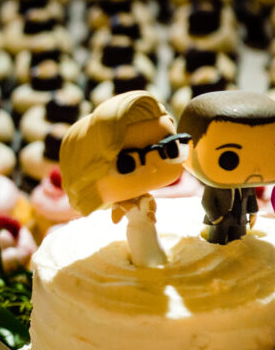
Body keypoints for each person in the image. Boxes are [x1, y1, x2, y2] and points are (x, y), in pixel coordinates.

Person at [60, 91, 189, 267]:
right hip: (138, 232)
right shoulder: (126, 208)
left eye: (168, 148)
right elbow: (118, 216)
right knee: (144, 243)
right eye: (127, 163)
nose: (152, 167)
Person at [178, 90, 275, 245]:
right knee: (218, 243)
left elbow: (250, 196)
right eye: (229, 158)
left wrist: (253, 212)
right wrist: (217, 218)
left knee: (240, 241)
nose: (255, 170)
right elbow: (208, 201)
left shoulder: (247, 184)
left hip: (240, 218)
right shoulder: (216, 186)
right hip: (221, 220)